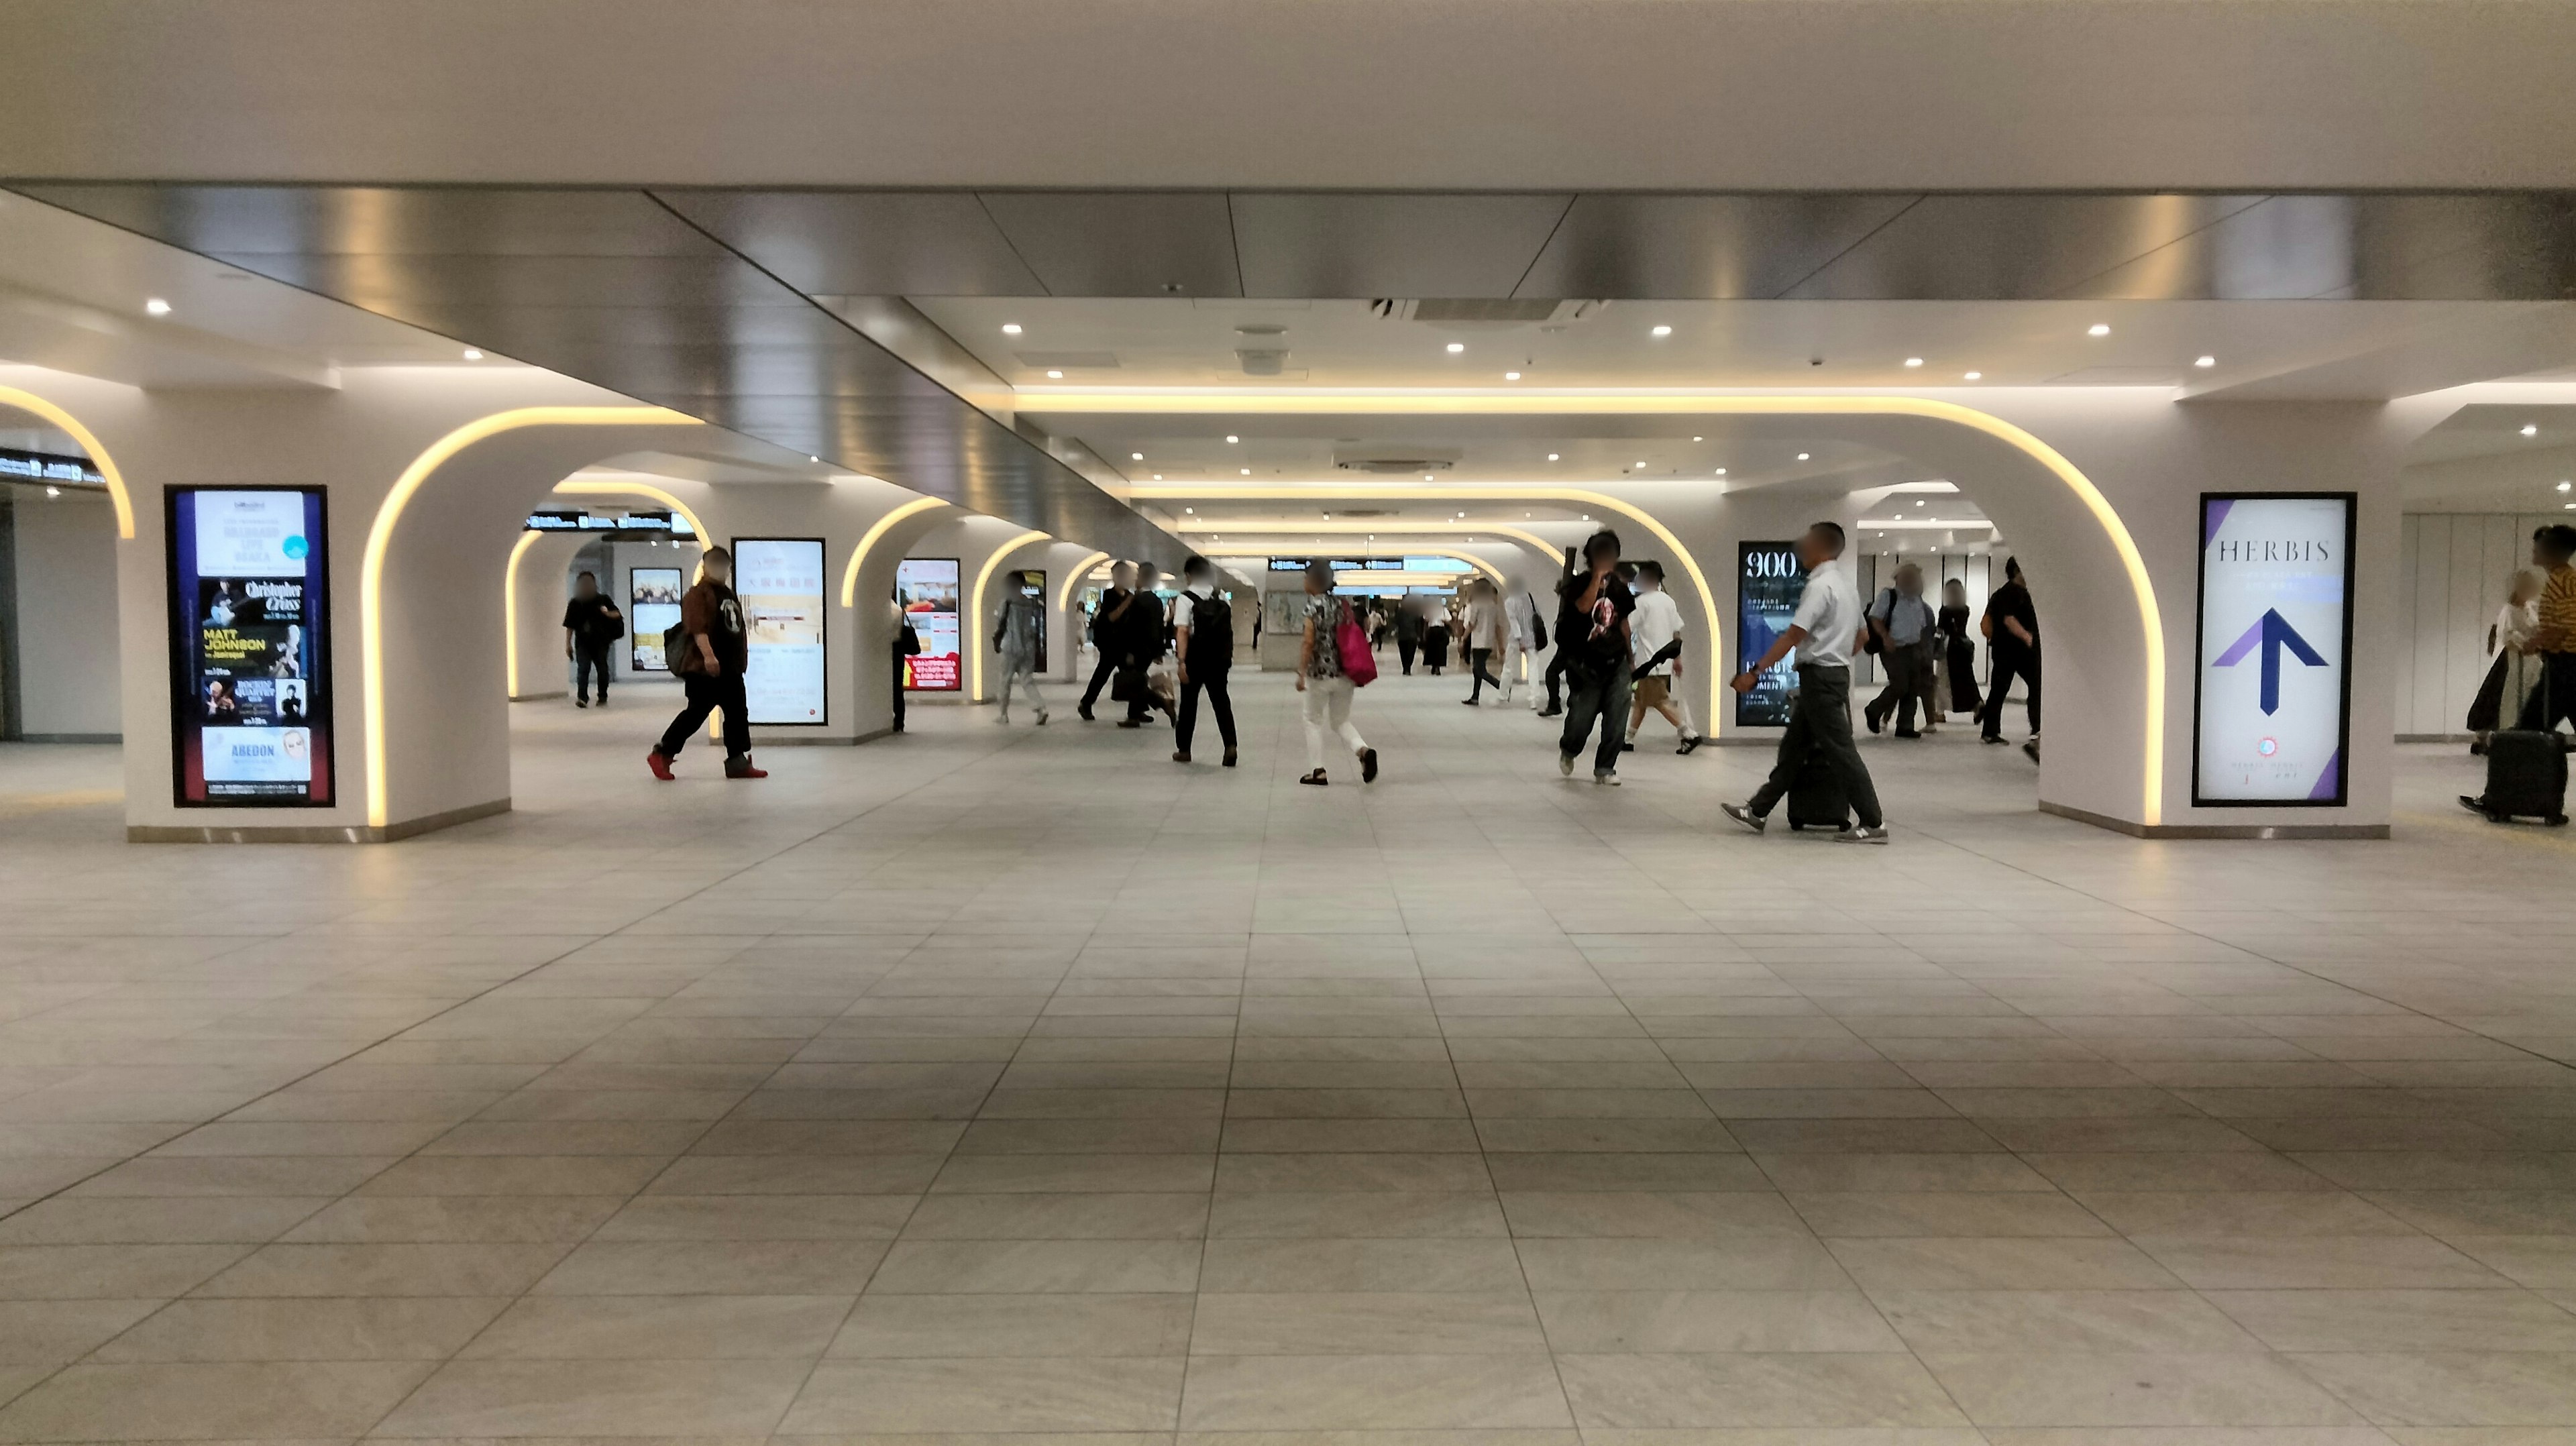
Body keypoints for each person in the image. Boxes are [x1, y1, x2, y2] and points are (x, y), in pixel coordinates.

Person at [1721, 522, 1888, 844]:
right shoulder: (1845, 585)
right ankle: (1757, 810)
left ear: (1822, 547)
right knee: (1794, 749)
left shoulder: (1820, 586)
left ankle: (1873, 822)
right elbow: (1863, 637)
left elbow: (1794, 634)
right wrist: (1837, 658)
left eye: (1808, 541)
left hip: (1821, 678)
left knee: (1840, 751)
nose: (1803, 546)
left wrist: (1755, 672)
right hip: (1830, 675)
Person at [647, 545, 765, 781]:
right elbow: (697, 627)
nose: (722, 570)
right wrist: (709, 656)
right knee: (696, 713)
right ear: (706, 565)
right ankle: (663, 753)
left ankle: (737, 762)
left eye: (725, 565)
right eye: (716, 563)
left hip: (730, 667)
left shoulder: (727, 593)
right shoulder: (697, 594)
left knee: (737, 714)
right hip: (704, 669)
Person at [1554, 530, 1635, 785]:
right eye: (1601, 555)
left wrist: (1631, 658)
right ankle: (1569, 749)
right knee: (1581, 718)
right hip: (1585, 663)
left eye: (1610, 555)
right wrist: (1597, 579)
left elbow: (1623, 623)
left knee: (1617, 716)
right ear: (1592, 558)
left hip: (1617, 660)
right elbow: (1583, 608)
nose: (1607, 560)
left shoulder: (1620, 589)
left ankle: (1605, 767)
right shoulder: (1578, 585)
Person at [1295, 559, 1379, 785]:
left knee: (1312, 720)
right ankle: (1362, 750)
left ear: (1314, 581)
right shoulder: (1342, 605)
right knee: (1340, 721)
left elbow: (1308, 641)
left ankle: (1317, 770)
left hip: (1320, 675)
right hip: (1345, 673)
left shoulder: (1312, 606)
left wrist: (1301, 672)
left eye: (1306, 578)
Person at [1623, 559, 1704, 754]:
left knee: (1659, 701)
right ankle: (1627, 738)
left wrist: (1629, 657)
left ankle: (1688, 734)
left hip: (1648, 662)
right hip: (1665, 661)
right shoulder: (1669, 601)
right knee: (1642, 700)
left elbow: (1627, 627)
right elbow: (1677, 632)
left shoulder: (1641, 603)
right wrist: (1677, 659)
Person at [1172, 556, 1237, 766]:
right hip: (1219, 658)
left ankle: (1184, 750)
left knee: (1189, 704)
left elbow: (1182, 630)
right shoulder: (1221, 596)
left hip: (1195, 658)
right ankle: (1230, 746)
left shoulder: (1186, 598)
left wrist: (1182, 662)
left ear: (1189, 575)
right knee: (1221, 702)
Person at [1863, 561, 1937, 739]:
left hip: (1913, 648)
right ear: (1899, 578)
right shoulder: (1888, 596)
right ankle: (1874, 710)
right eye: (1910, 577)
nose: (1915, 581)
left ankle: (1905, 726)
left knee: (1912, 687)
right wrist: (1885, 637)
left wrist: (1922, 647)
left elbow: (1921, 625)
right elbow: (1875, 617)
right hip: (1893, 647)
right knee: (1900, 684)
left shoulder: (1917, 600)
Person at [2515, 523, 2576, 734]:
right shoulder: (2563, 579)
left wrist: (2536, 642)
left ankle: (2528, 765)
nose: (2534, 550)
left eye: (2539, 547)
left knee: (2532, 724)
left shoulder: (2563, 581)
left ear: (2553, 551)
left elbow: (2567, 625)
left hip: (2567, 665)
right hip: (2564, 663)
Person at [1979, 555, 2041, 763]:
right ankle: (1991, 731)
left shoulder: (2023, 593)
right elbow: (2008, 619)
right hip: (2009, 649)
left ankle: (2036, 729)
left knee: (2034, 685)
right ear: (2017, 571)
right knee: (2001, 689)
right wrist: (2028, 637)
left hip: (2019, 650)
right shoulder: (2009, 593)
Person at [1078, 563, 1140, 722]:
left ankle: (1136, 710)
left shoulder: (1129, 594)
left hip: (1124, 643)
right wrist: (1128, 602)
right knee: (1103, 674)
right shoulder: (1110, 595)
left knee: (1134, 674)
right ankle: (1086, 703)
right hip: (1111, 644)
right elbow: (1112, 617)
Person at [991, 570, 1049, 726]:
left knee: (1005, 680)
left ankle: (1003, 714)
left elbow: (1000, 621)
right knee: (1027, 680)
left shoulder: (1007, 602)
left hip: (1010, 645)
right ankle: (1040, 708)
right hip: (1027, 646)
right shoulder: (1029, 603)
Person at [561, 569, 624, 708]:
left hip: (601, 641)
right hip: (583, 641)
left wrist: (606, 613)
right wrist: (568, 644)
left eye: (589, 584)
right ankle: (582, 697)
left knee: (602, 669)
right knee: (583, 668)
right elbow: (570, 626)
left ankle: (602, 695)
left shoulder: (603, 600)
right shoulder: (575, 604)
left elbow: (617, 614)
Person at [1936, 577, 1981, 721]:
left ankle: (1939, 711)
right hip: (1964, 644)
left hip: (1949, 646)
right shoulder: (1965, 609)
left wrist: (1934, 643)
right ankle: (1976, 705)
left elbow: (1940, 630)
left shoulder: (1946, 611)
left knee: (1943, 679)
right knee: (1966, 678)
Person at [1461, 578, 1506, 704]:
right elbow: (1498, 626)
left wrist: (1463, 638)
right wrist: (1501, 644)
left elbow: (1471, 624)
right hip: (1489, 642)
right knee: (1478, 669)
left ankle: (1502, 686)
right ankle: (1475, 696)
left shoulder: (1476, 604)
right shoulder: (1493, 605)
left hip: (1479, 641)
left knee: (1480, 670)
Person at [1501, 578, 1540, 707]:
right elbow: (1537, 614)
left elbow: (1514, 622)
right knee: (1533, 668)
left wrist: (1520, 639)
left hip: (1515, 639)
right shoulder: (1530, 598)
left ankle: (1504, 694)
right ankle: (1534, 698)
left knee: (1508, 667)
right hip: (1533, 637)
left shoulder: (1509, 602)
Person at [891, 588, 918, 733]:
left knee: (891, 687)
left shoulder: (887, 609)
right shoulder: (897, 609)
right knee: (897, 687)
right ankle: (899, 720)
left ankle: (894, 719)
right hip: (899, 650)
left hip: (890, 650)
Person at [1393, 598, 1424, 675]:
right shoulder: (1400, 613)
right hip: (1402, 636)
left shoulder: (1415, 613)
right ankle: (1406, 668)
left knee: (1411, 653)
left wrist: (1419, 635)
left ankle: (1408, 667)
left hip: (1412, 636)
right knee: (1403, 653)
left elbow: (1418, 625)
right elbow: (1396, 622)